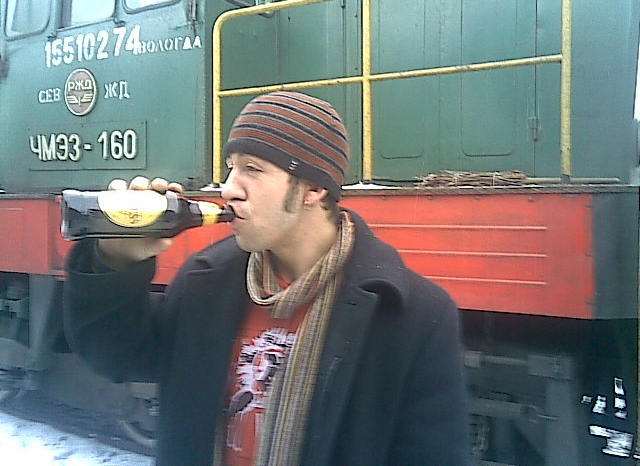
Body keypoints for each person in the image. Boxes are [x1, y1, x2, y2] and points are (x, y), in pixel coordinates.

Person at [63, 91, 470, 465]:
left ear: (313, 188)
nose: (228, 189)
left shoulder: (414, 315)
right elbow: (115, 357)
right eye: (230, 169)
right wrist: (116, 261)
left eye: (252, 170)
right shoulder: (204, 283)